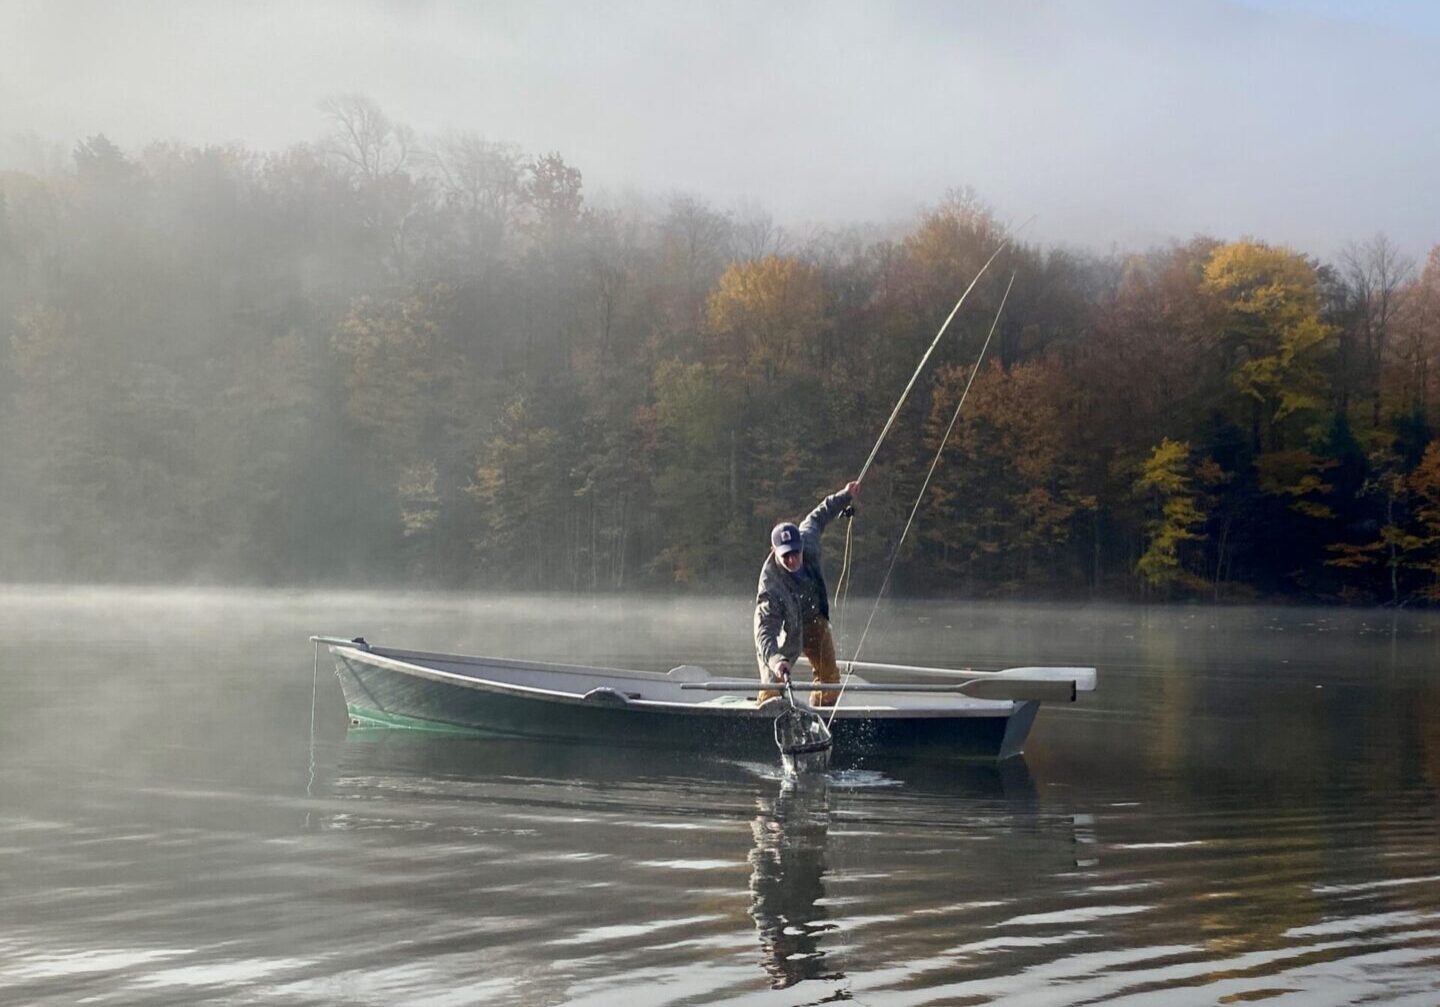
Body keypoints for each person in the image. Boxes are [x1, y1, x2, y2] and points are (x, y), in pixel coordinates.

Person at [754, 480, 860, 707]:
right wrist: (776, 661)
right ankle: (766, 711)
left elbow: (818, 516)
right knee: (772, 689)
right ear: (774, 552)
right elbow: (765, 631)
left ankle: (821, 713)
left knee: (830, 681)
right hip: (785, 629)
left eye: (795, 553)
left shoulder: (808, 541)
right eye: (786, 556)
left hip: (813, 620)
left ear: (801, 545)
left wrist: (844, 495)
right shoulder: (770, 586)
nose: (792, 559)